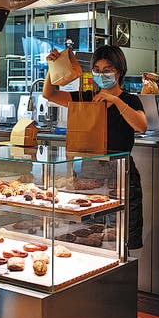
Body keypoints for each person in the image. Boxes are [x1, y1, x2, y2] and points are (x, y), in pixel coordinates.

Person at [43, 45, 148, 249]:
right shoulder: (85, 97)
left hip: (121, 176)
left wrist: (115, 101)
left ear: (119, 71)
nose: (102, 74)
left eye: (108, 69)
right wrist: (52, 66)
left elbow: (141, 125)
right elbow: (50, 94)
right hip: (89, 176)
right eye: (97, 70)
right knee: (89, 235)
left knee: (120, 238)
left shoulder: (129, 100)